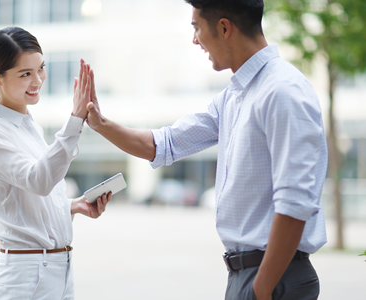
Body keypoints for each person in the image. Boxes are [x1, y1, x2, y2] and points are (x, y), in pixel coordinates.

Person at [85, 1, 328, 299]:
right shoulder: (234, 96)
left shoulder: (282, 91)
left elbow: (295, 202)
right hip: (249, 276)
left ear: (224, 27)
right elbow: (167, 143)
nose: (194, 39)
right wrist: (100, 123)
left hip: (275, 279)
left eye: (196, 26)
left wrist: (262, 289)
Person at [0, 27, 111, 300]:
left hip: (59, 269)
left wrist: (74, 205)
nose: (37, 81)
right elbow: (39, 180)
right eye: (25, 74)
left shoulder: (30, 127)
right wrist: (75, 119)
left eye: (41, 69)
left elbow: (30, 196)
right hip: (25, 275)